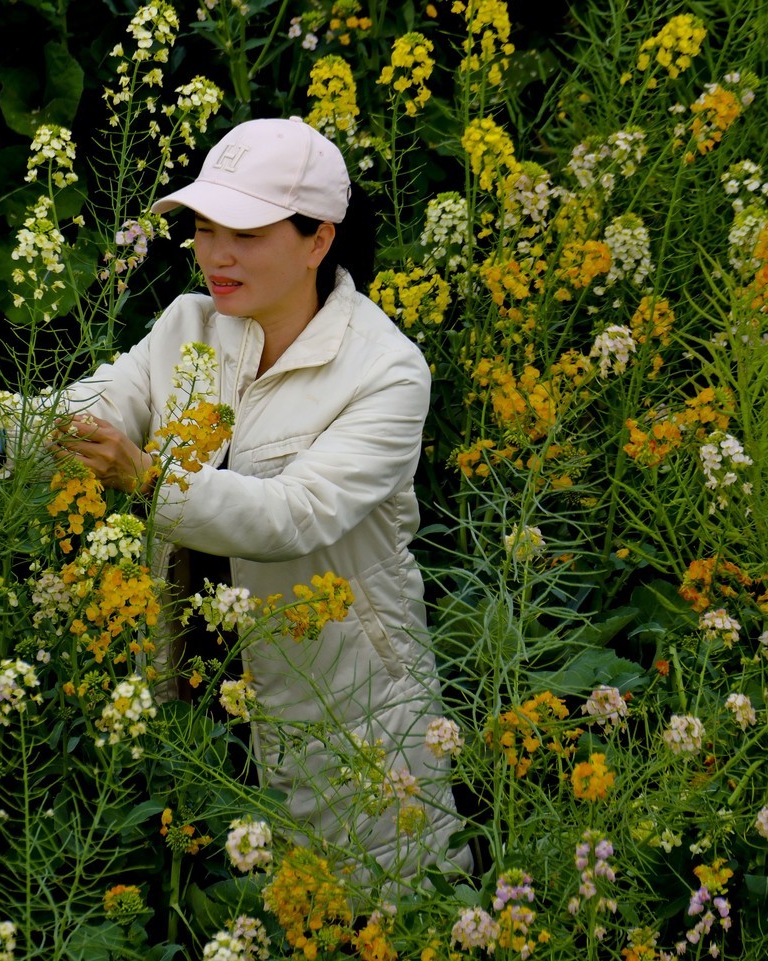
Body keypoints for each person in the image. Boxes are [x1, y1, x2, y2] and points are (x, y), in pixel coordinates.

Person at [56, 117, 469, 879]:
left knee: (384, 907)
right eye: (206, 228)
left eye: (243, 231)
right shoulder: (189, 325)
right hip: (197, 701)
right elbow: (93, 406)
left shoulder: (387, 371)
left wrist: (148, 478)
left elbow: (294, 514)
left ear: (319, 240)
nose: (216, 253)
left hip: (346, 710)